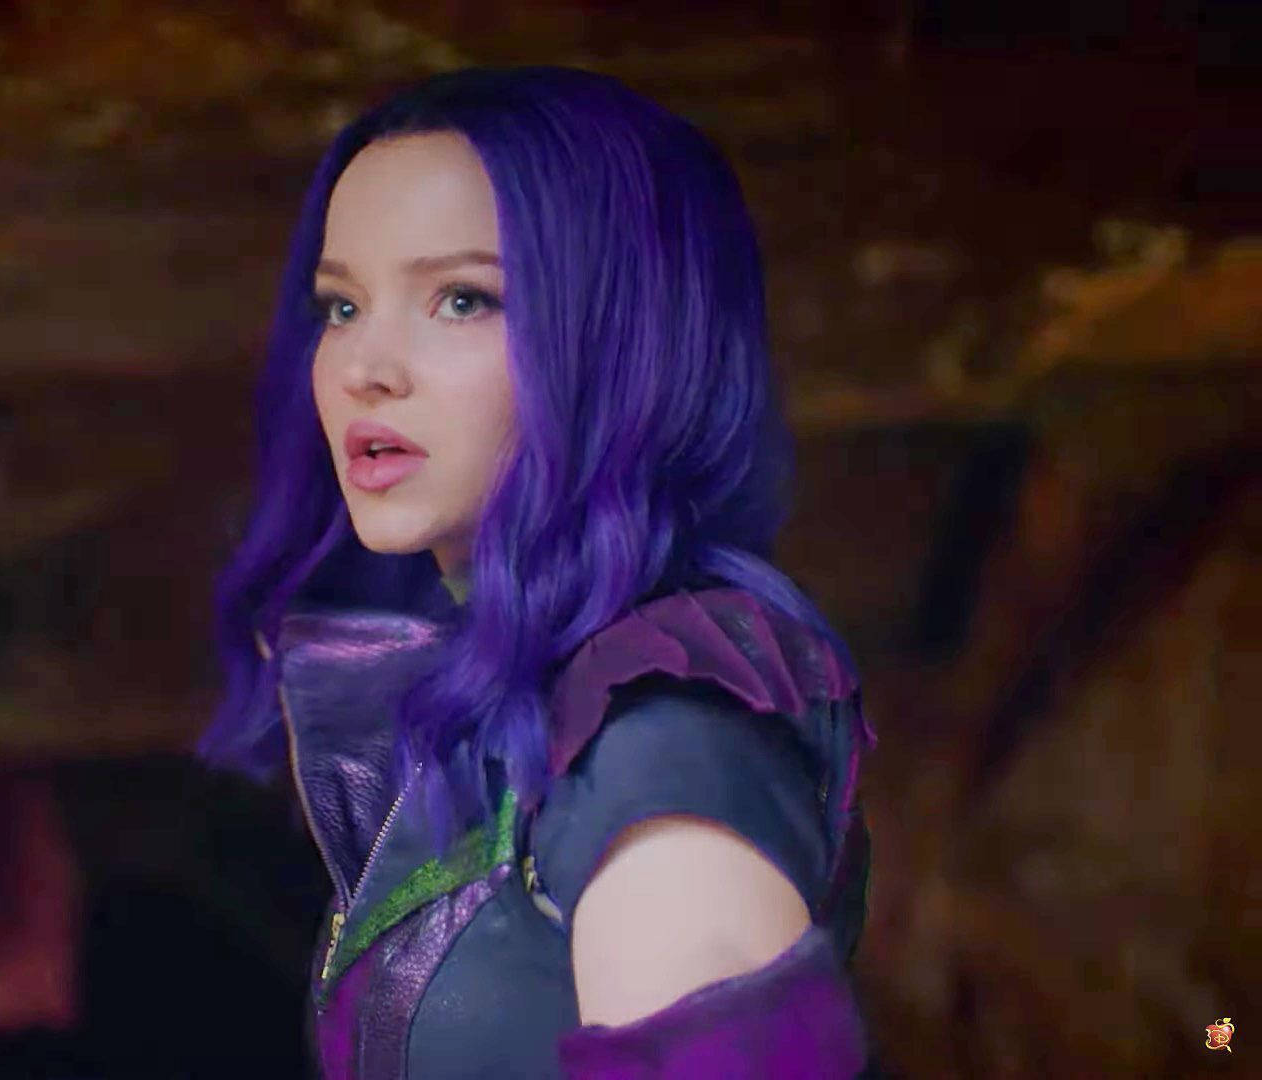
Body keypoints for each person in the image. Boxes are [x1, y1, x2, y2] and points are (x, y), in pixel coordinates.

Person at [199, 67, 876, 1079]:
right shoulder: (521, 699)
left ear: (622, 340)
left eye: (461, 298)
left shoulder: (660, 727)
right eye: (341, 306)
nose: (365, 368)